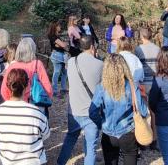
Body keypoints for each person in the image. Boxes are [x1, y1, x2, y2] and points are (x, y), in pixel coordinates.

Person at [89, 54, 149, 165]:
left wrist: (101, 124)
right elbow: (144, 111)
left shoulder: (101, 87)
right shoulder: (132, 86)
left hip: (108, 134)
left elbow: (92, 112)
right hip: (128, 132)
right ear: (124, 67)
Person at [57, 36, 103, 165]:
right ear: (93, 47)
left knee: (70, 138)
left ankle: (60, 162)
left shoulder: (71, 62)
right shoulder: (100, 64)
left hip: (74, 108)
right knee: (90, 146)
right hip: (92, 111)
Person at [0, 68, 51, 164]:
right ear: (27, 86)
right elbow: (46, 134)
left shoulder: (1, 109)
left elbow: (0, 134)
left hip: (7, 160)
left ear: (8, 85)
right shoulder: (35, 112)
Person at [1, 38, 53, 104]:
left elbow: (4, 89)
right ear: (33, 50)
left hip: (16, 102)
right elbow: (47, 86)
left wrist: (11, 101)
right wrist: (48, 98)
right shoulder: (37, 64)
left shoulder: (12, 65)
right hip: (34, 103)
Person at [135, 28, 161, 95]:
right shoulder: (157, 48)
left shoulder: (138, 49)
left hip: (143, 83)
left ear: (141, 36)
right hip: (156, 82)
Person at [48, 21, 69, 97]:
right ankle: (54, 90)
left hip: (62, 55)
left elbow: (63, 45)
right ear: (55, 27)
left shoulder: (57, 36)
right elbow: (64, 45)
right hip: (57, 55)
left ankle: (63, 89)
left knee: (64, 72)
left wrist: (62, 44)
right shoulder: (53, 36)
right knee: (57, 72)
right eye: (59, 26)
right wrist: (63, 44)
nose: (60, 27)